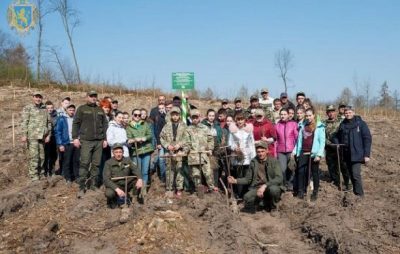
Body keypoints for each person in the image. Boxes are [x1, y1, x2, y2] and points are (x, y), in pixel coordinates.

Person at [228, 141, 283, 214]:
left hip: (270, 186)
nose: (260, 154)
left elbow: (279, 178)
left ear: (267, 151)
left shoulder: (274, 161)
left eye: (262, 151)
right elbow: (248, 179)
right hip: (257, 188)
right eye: (258, 152)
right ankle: (265, 202)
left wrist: (265, 185)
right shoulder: (253, 162)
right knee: (247, 198)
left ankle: (274, 208)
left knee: (274, 190)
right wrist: (235, 180)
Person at [72, 90, 108, 198]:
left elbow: (105, 124)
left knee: (96, 164)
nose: (93, 98)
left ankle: (93, 185)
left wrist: (105, 139)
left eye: (95, 96)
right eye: (91, 96)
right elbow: (76, 123)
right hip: (86, 140)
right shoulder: (82, 109)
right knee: (84, 163)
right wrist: (75, 138)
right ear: (87, 97)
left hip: (98, 141)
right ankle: (81, 187)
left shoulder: (100, 109)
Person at [333, 106, 372, 197]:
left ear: (353, 113)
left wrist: (367, 155)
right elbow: (335, 136)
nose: (348, 114)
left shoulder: (361, 124)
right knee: (350, 174)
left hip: (357, 154)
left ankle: (359, 194)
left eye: (350, 112)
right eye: (346, 113)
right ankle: (355, 192)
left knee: (355, 174)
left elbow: (367, 139)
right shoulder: (343, 124)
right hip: (346, 154)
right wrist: (337, 143)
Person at [292, 108, 325, 201]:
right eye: (306, 115)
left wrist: (319, 154)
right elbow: (299, 140)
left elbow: (322, 142)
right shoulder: (303, 125)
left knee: (314, 173)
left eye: (310, 115)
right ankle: (301, 191)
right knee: (301, 171)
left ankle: (315, 192)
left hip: (313, 153)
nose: (308, 117)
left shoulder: (319, 126)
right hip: (303, 151)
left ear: (314, 115)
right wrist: (296, 151)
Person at [21, 93, 52, 181]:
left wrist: (48, 135)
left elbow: (49, 123)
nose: (38, 99)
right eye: (36, 97)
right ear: (33, 98)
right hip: (32, 136)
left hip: (42, 137)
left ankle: (41, 173)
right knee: (34, 156)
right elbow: (24, 122)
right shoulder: (28, 108)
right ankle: (33, 176)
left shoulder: (45, 109)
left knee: (42, 157)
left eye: (40, 97)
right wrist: (24, 134)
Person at [160, 106, 190, 197]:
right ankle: (169, 188)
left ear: (179, 115)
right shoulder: (166, 126)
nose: (175, 117)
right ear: (171, 115)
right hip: (169, 152)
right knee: (170, 170)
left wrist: (179, 145)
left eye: (177, 115)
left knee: (179, 170)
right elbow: (161, 137)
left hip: (179, 152)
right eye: (173, 115)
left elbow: (187, 138)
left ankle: (179, 188)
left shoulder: (184, 126)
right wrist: (167, 146)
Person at [103, 144, 143, 208]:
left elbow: (136, 169)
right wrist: (117, 189)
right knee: (109, 193)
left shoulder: (128, 160)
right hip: (115, 184)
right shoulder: (108, 163)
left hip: (126, 183)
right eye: (116, 152)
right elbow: (106, 179)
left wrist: (140, 179)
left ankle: (135, 199)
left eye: (120, 152)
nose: (118, 154)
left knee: (137, 182)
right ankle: (113, 200)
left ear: (123, 152)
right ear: (113, 153)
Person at [187, 109, 217, 193]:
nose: (195, 119)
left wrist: (210, 149)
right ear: (191, 118)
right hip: (193, 155)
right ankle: (198, 190)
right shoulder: (188, 129)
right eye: (193, 118)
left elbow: (210, 139)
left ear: (199, 117)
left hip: (204, 155)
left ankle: (211, 188)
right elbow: (186, 142)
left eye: (196, 117)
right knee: (195, 175)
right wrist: (187, 150)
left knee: (208, 173)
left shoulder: (205, 128)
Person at [228, 113, 256, 197]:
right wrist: (234, 148)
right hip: (238, 157)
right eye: (238, 120)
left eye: (241, 119)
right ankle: (239, 195)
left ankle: (246, 195)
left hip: (248, 156)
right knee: (239, 177)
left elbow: (252, 143)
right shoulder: (233, 130)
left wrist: (253, 157)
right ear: (236, 120)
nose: (240, 121)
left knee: (247, 176)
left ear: (244, 120)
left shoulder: (249, 130)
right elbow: (230, 143)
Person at [126, 108, 154, 191]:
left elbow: (150, 134)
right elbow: (128, 138)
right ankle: (137, 188)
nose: (137, 116)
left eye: (139, 115)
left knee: (145, 171)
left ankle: (143, 189)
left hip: (146, 150)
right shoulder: (128, 127)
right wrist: (135, 140)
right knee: (138, 171)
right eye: (135, 115)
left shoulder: (145, 124)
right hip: (136, 151)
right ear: (132, 116)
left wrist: (145, 138)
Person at [323, 105, 349, 189]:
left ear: (335, 112)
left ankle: (347, 182)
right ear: (327, 113)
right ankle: (335, 181)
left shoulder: (341, 121)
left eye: (332, 111)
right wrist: (329, 143)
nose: (331, 113)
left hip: (340, 148)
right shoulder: (324, 123)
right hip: (329, 148)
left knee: (343, 166)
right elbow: (322, 136)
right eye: (329, 112)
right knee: (331, 165)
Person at [55, 104, 80, 185]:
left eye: (73, 110)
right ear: (66, 110)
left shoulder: (76, 119)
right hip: (67, 143)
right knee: (67, 161)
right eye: (70, 110)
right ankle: (68, 178)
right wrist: (60, 144)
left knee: (76, 161)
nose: (72, 112)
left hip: (76, 143)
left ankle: (76, 177)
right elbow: (58, 132)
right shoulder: (62, 119)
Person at [275, 108, 298, 190]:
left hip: (291, 150)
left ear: (288, 115)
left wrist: (295, 150)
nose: (283, 116)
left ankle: (290, 183)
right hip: (280, 151)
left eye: (284, 114)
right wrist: (275, 152)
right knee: (282, 169)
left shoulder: (293, 124)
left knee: (291, 168)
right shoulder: (277, 125)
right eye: (281, 114)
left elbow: (297, 138)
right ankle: (284, 184)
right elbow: (276, 140)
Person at [151, 103, 167, 182]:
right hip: (161, 142)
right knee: (161, 159)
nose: (161, 110)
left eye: (162, 108)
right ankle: (163, 176)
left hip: (170, 142)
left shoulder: (168, 117)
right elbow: (157, 132)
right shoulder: (158, 118)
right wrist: (158, 143)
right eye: (159, 108)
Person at [43, 101, 58, 177]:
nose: (50, 109)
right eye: (48, 108)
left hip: (54, 137)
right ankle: (45, 171)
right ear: (45, 108)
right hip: (45, 138)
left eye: (51, 108)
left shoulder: (56, 116)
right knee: (45, 155)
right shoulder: (42, 116)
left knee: (53, 155)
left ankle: (52, 170)